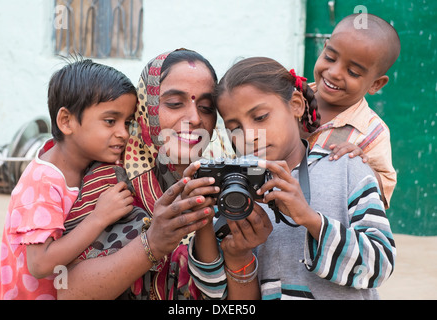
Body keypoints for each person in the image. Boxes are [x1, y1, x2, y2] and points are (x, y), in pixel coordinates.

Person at [187, 57, 396, 300]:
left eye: (260, 117)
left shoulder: (346, 168)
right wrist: (202, 222)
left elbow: (378, 266)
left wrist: (310, 219)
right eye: (235, 128)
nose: (248, 136)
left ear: (296, 104)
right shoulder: (234, 187)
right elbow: (214, 293)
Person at [56, 49, 225, 300]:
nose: (194, 118)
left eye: (206, 107)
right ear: (147, 108)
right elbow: (68, 291)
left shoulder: (224, 183)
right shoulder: (111, 183)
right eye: (175, 103)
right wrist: (153, 244)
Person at [0, 59, 138, 299]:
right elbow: (40, 264)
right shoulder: (44, 180)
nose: (123, 133)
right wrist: (98, 217)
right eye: (111, 121)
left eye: (128, 123)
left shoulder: (92, 166)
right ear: (66, 121)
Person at [306, 13, 401, 209]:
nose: (334, 72)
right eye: (330, 58)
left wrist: (359, 164)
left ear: (375, 84)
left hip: (326, 228)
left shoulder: (373, 132)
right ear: (323, 49)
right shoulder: (289, 99)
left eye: (352, 72)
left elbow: (382, 192)